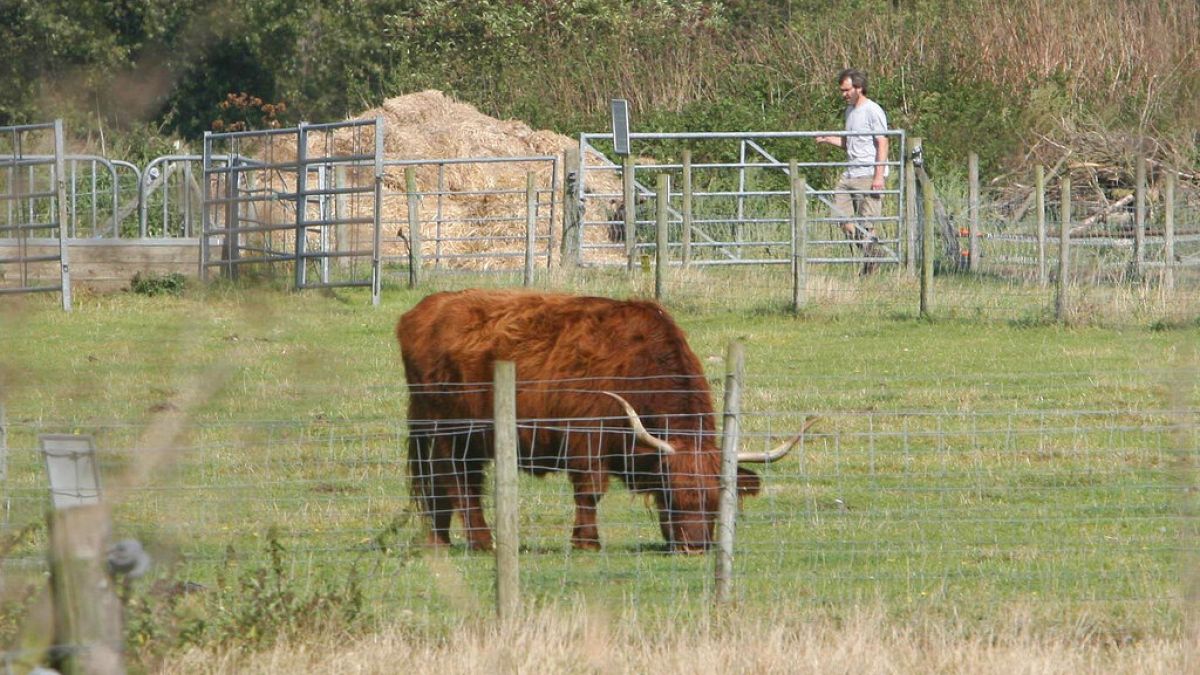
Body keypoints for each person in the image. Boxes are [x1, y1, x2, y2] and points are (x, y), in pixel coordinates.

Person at [815, 68, 889, 274]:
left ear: (859, 88)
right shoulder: (849, 112)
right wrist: (829, 139)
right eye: (842, 90)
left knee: (866, 222)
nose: (844, 94)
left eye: (847, 90)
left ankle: (870, 262)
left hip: (867, 174)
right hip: (850, 173)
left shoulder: (873, 110)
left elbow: (883, 142)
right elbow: (849, 144)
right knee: (841, 218)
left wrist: (878, 176)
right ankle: (873, 253)